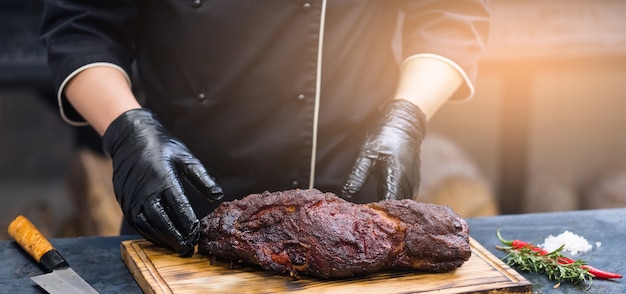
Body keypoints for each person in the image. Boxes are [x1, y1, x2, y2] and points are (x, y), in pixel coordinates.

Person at [40, 1, 490, 256]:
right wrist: (127, 128)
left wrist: (406, 117)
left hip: (352, 204)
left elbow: (448, 15)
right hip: (177, 199)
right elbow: (80, 24)